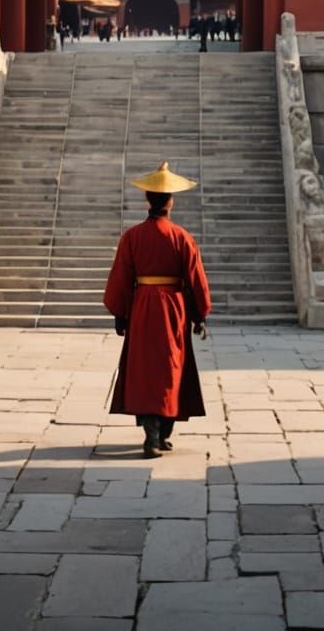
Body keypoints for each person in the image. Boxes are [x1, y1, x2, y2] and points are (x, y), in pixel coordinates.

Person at [103, 161, 212, 459]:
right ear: (170, 201)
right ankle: (161, 434)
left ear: (147, 200)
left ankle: (152, 435)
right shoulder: (182, 237)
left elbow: (121, 277)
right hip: (174, 308)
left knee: (145, 369)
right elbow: (196, 279)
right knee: (170, 366)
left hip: (142, 306)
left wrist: (120, 314)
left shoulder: (132, 236)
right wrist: (199, 315)